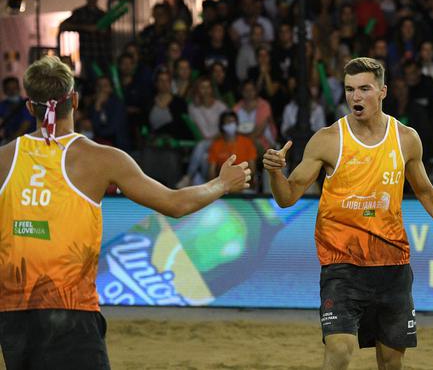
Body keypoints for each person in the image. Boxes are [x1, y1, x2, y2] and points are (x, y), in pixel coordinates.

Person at [0, 56, 251, 369]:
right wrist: (222, 184)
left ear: (29, 107)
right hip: (70, 310)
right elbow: (175, 204)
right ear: (75, 100)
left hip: (13, 313)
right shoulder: (101, 159)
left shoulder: (5, 158)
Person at [262, 57, 433, 370]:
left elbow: (426, 192)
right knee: (339, 351)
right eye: (350, 89)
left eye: (364, 89)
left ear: (383, 91)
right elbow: (287, 198)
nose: (356, 97)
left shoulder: (406, 138)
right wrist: (275, 173)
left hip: (392, 266)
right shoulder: (327, 140)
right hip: (342, 265)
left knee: (391, 362)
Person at [208, 111, 257, 186]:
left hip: (244, 184)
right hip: (222, 185)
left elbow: (252, 169)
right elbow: (212, 171)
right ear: (222, 126)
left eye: (233, 121)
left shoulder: (247, 142)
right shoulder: (216, 145)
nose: (231, 124)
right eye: (228, 122)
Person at [0, 77, 34, 144]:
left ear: (19, 88)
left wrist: (10, 141)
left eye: (14, 88)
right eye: (9, 89)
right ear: (4, 90)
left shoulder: (26, 104)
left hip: (26, 141)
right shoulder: (2, 105)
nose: (12, 91)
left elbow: (26, 124)